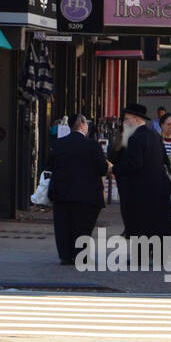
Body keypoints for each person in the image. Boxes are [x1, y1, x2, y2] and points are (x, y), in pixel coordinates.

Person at [48, 114, 109, 265]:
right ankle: (81, 254)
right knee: (83, 226)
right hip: (87, 195)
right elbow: (102, 169)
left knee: (63, 225)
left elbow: (49, 166)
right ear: (82, 124)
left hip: (62, 193)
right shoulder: (93, 145)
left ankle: (65, 255)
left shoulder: (59, 144)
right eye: (87, 123)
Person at [108, 103, 171, 239]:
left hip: (139, 191)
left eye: (126, 118)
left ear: (136, 119)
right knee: (152, 227)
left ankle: (139, 258)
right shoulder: (154, 135)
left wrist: (113, 169)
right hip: (157, 189)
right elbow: (165, 160)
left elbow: (135, 164)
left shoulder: (135, 137)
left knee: (139, 226)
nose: (124, 122)